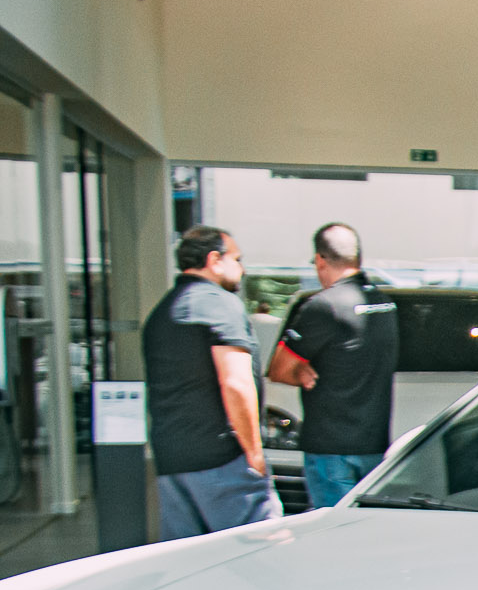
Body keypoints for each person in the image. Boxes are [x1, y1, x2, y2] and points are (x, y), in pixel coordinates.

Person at [143, 226, 277, 539]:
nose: (241, 269)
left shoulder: (162, 313)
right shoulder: (220, 304)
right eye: (237, 259)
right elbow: (236, 383)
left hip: (172, 461)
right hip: (223, 460)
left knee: (190, 564)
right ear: (214, 259)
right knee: (260, 557)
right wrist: (254, 453)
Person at [268, 223, 397, 508]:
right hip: (375, 445)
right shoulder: (385, 304)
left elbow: (277, 369)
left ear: (320, 260)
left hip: (331, 450)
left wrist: (300, 370)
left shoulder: (323, 306)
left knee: (333, 534)